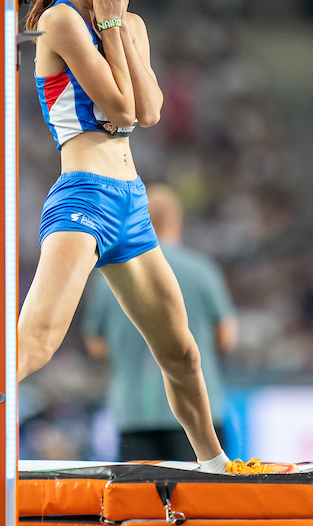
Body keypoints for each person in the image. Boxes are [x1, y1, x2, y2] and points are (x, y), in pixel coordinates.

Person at [0, 0, 286, 475]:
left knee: (182, 350)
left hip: (130, 202)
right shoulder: (60, 21)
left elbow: (150, 111)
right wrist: (110, 28)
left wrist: (117, 27)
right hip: (83, 196)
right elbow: (117, 106)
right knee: (33, 343)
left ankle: (214, 463)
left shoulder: (131, 22)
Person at [84, 184, 237, 461]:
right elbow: (226, 336)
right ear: (177, 221)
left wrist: (130, 355)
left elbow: (95, 344)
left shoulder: (109, 275)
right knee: (200, 499)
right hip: (198, 413)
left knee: (140, 501)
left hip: (133, 413)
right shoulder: (202, 271)